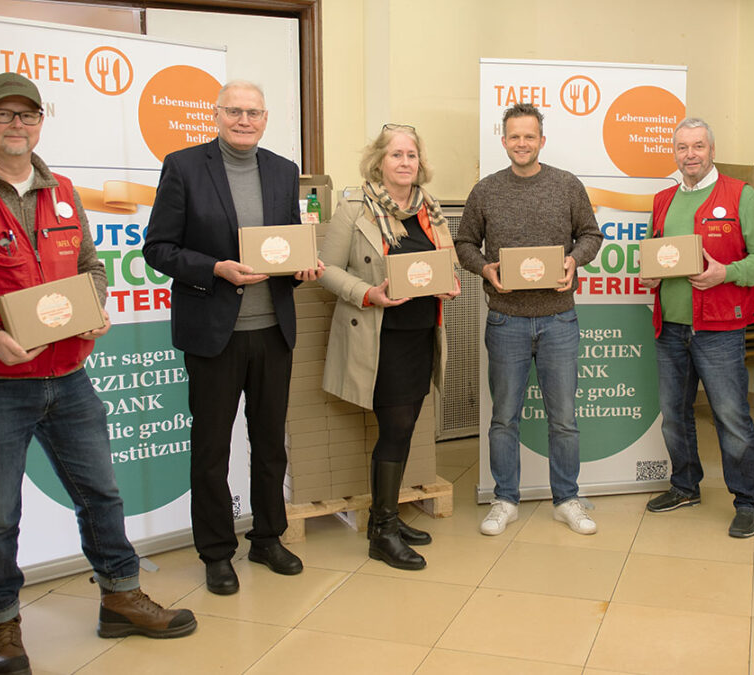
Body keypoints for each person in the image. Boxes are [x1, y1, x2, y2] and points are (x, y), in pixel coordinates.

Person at [0, 73, 196, 675]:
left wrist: (93, 310)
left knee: (101, 495)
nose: (17, 125)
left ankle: (120, 597)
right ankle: (1, 627)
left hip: (68, 376)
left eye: (27, 115)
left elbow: (89, 265)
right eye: (4, 115)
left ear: (41, 121)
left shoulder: (60, 189)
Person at [142, 80, 324, 595]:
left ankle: (268, 537)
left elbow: (286, 242)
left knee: (270, 445)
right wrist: (215, 268)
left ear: (266, 118)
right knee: (212, 448)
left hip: (272, 331)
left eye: (254, 113)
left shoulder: (283, 170)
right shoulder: (184, 167)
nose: (244, 120)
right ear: (216, 114)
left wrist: (302, 268)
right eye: (234, 111)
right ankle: (217, 551)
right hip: (214, 335)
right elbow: (157, 249)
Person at [455, 103, 604, 537]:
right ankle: (505, 499)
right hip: (506, 321)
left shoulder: (566, 185)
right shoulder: (485, 191)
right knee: (504, 418)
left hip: (559, 320)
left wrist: (575, 260)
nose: (522, 143)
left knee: (564, 418)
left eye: (529, 136)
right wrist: (485, 269)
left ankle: (567, 499)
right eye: (514, 137)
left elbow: (591, 234)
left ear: (542, 140)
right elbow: (464, 242)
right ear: (503, 141)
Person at [319, 124, 460, 571]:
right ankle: (381, 530)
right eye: (396, 154)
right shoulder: (354, 208)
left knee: (407, 424)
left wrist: (449, 283)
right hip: (379, 338)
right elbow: (326, 271)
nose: (405, 162)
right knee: (395, 428)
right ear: (379, 161)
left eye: (412, 155)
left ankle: (391, 519)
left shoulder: (431, 209)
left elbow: (445, 262)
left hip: (421, 332)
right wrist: (368, 293)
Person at [640, 117, 754, 538]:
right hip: (672, 329)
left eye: (698, 146)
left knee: (731, 417)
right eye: (682, 147)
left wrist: (728, 272)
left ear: (711, 150)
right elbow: (656, 257)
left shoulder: (740, 195)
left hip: (719, 328)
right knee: (674, 417)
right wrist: (650, 276)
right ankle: (684, 486)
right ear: (675, 153)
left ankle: (748, 501)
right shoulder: (663, 199)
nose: (690, 155)